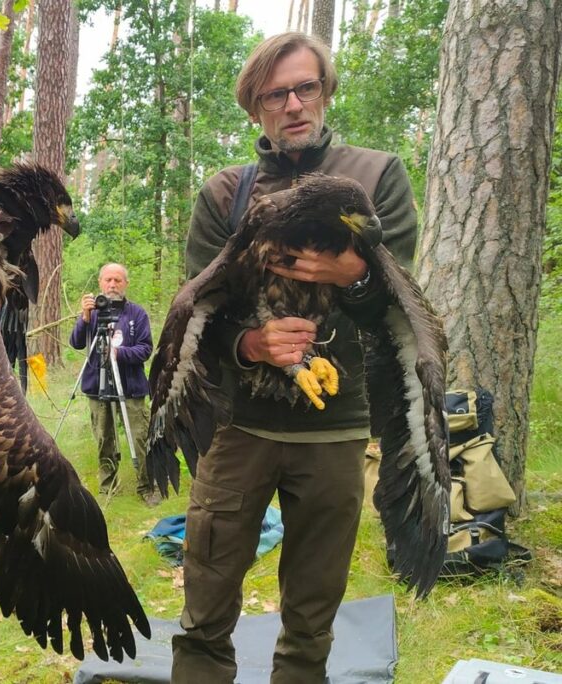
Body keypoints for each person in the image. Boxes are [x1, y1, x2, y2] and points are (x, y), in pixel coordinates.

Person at [172, 33, 418, 684]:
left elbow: (399, 309)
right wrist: (249, 344)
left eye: (306, 87)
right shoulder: (226, 193)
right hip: (239, 428)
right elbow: (197, 313)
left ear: (325, 91)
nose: (294, 104)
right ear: (255, 107)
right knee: (204, 614)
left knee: (311, 624)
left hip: (336, 433)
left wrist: (353, 276)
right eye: (275, 93)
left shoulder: (376, 176)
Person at [69, 263, 160, 507]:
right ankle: (108, 485)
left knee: (140, 437)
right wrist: (84, 318)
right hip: (97, 386)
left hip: (130, 386)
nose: (112, 285)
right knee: (104, 437)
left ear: (125, 284)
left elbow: (145, 349)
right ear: (100, 283)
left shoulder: (136, 314)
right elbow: (76, 343)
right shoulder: (93, 312)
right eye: (108, 280)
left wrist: (117, 354)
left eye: (117, 280)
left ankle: (146, 485)